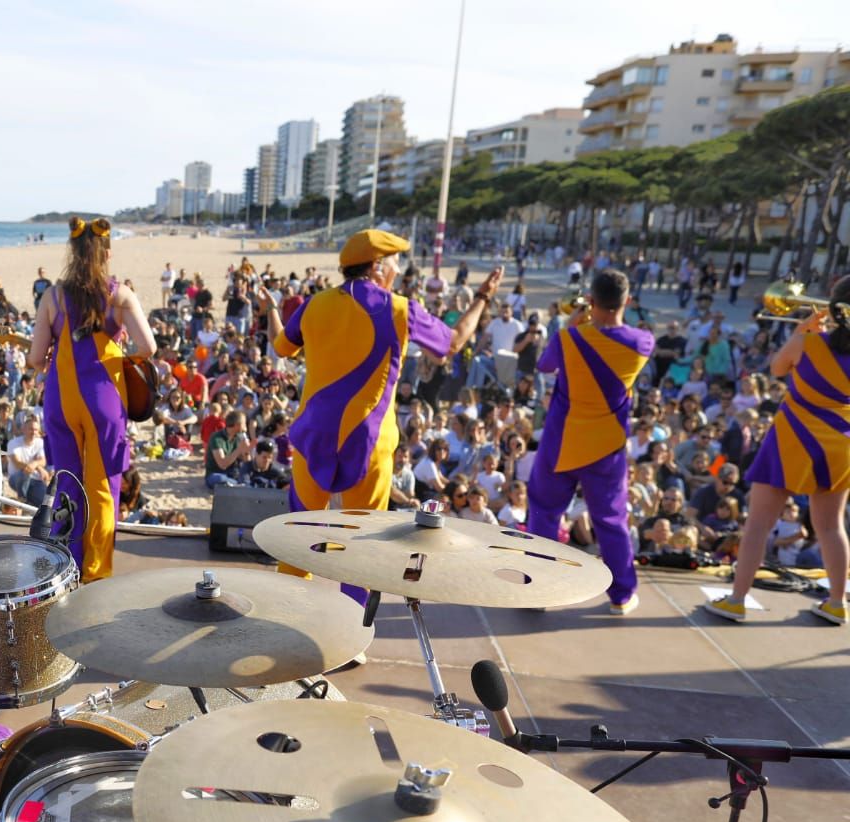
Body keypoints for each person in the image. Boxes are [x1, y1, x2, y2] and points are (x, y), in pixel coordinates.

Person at [264, 229, 500, 595]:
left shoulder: (314, 305)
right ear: (376, 266)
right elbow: (452, 343)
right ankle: (353, 635)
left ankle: (290, 615)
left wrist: (270, 312)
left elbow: (281, 347)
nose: (397, 270)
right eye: (393, 262)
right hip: (369, 444)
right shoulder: (399, 308)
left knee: (299, 536)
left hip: (313, 438)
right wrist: (483, 296)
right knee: (363, 544)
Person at [704, 282, 850, 626]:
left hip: (793, 438)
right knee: (831, 527)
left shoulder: (806, 342)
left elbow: (777, 369)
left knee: (757, 525)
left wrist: (801, 331)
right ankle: (836, 603)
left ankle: (737, 601)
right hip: (840, 444)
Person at [27, 217, 157, 581]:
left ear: (72, 253)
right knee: (102, 488)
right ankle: (97, 573)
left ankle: (66, 567)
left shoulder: (52, 297)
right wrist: (115, 351)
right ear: (108, 254)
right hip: (105, 402)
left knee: (68, 482)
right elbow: (148, 347)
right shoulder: (120, 295)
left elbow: (37, 359)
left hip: (61, 402)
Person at [525, 269, 654, 615]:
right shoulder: (642, 342)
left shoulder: (569, 339)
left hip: (561, 441)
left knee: (544, 512)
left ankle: (536, 590)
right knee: (610, 520)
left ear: (591, 301)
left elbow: (544, 365)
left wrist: (573, 325)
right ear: (626, 301)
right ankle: (621, 596)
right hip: (606, 446)